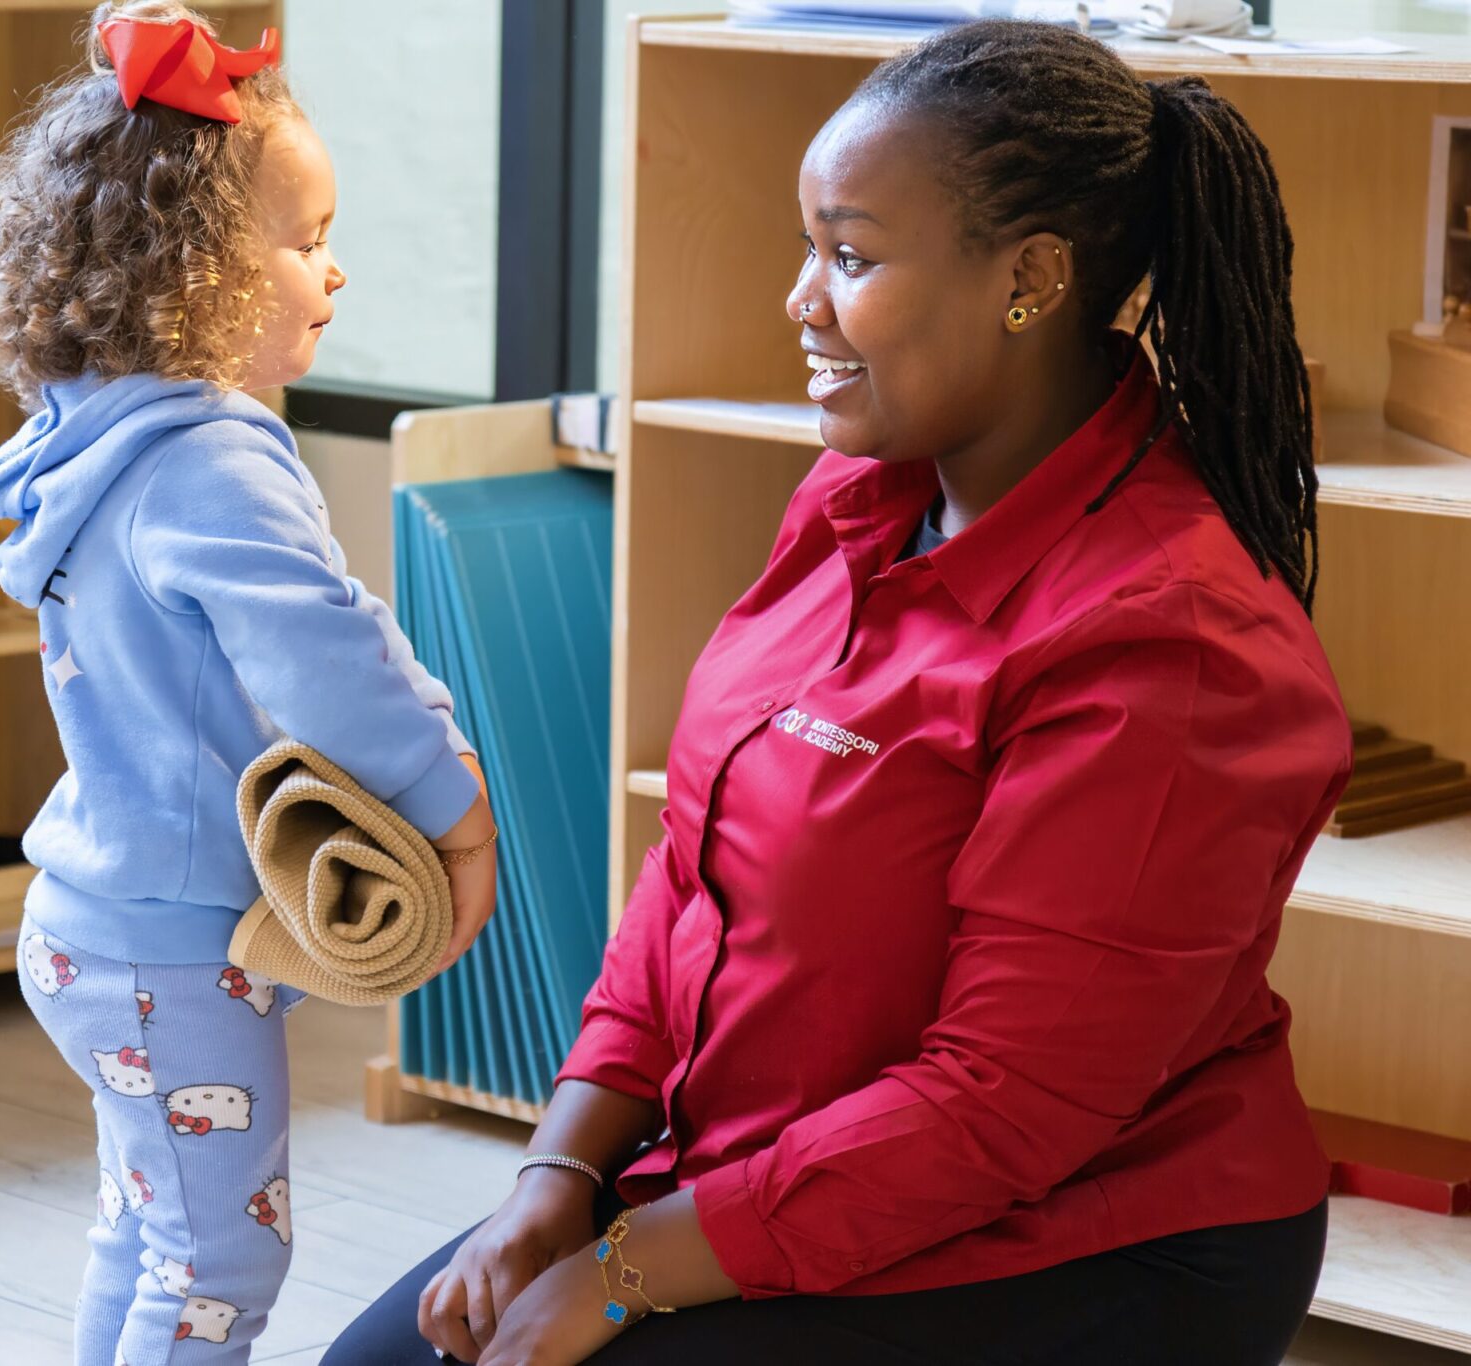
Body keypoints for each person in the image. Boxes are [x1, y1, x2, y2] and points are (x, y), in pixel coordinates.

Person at [328, 19, 1348, 1366]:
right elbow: (694, 873)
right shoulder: (859, 498)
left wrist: (632, 1266)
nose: (802, 299)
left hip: (1083, 1235)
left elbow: (1004, 1104)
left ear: (1031, 280)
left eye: (852, 256)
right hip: (777, 1178)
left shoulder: (1173, 645)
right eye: (809, 246)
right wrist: (557, 1177)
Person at [0, 4, 498, 1360]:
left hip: (93, 921)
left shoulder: (88, 439)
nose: (335, 272)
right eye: (309, 243)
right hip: (178, 955)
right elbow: (334, 655)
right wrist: (455, 800)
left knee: (147, 1229)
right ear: (202, 276)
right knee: (223, 1258)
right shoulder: (217, 462)